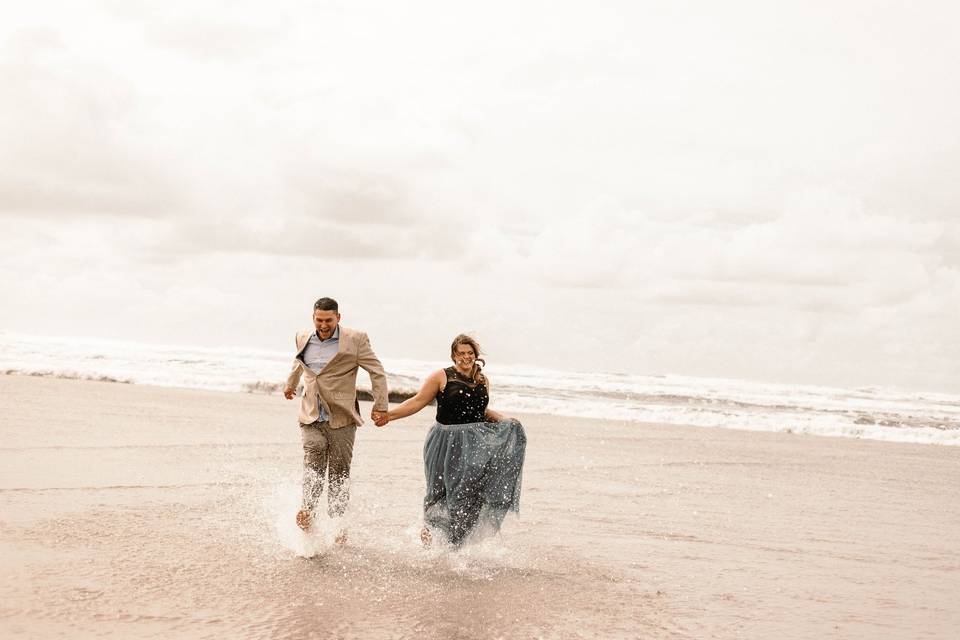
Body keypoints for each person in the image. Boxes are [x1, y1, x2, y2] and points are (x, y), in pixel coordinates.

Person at [374, 334, 525, 547]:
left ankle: (456, 546)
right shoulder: (440, 377)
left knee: (470, 492)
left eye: (470, 353)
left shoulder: (483, 380)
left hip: (475, 443)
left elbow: (481, 412)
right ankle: (430, 534)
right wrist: (389, 415)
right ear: (454, 355)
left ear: (476, 355)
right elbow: (417, 401)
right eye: (461, 353)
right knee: (439, 491)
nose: (466, 357)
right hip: (444, 442)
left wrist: (506, 420)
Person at [283, 297, 389, 542]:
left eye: (328, 320)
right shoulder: (302, 336)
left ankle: (338, 525)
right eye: (319, 320)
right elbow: (299, 362)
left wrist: (381, 406)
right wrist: (290, 385)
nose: (323, 325)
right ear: (313, 318)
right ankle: (307, 510)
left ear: (338, 318)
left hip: (342, 415)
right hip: (310, 412)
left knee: (339, 472)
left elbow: (377, 371)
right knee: (313, 457)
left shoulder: (356, 339)